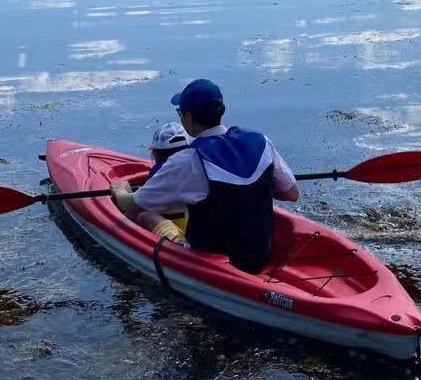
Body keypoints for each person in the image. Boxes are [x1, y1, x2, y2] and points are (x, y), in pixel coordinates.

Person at [110, 79, 298, 273]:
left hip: (210, 262)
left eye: (181, 113)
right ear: (222, 110)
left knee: (144, 215)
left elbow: (132, 205)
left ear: (188, 117)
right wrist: (251, 188)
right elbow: (291, 194)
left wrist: (121, 190)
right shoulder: (260, 140)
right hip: (259, 255)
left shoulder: (187, 160)